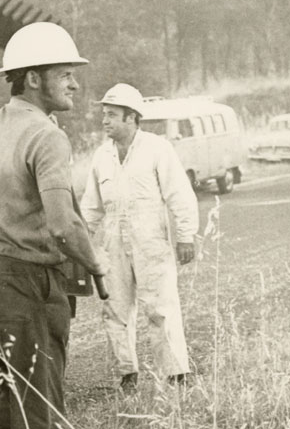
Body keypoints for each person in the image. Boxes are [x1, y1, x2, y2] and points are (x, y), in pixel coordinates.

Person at [0, 22, 108, 428]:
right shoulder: (47, 136)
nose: (74, 84)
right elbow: (64, 226)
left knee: (16, 404)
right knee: (41, 410)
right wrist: (97, 265)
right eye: (64, 74)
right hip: (23, 280)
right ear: (32, 78)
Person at [80, 83, 199, 393]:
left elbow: (180, 195)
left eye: (112, 115)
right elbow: (90, 207)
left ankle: (175, 375)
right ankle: (127, 374)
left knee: (160, 308)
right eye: (104, 115)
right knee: (115, 309)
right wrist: (80, 244)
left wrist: (186, 235)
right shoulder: (101, 156)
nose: (105, 121)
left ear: (132, 118)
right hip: (113, 244)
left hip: (151, 242)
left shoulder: (158, 149)